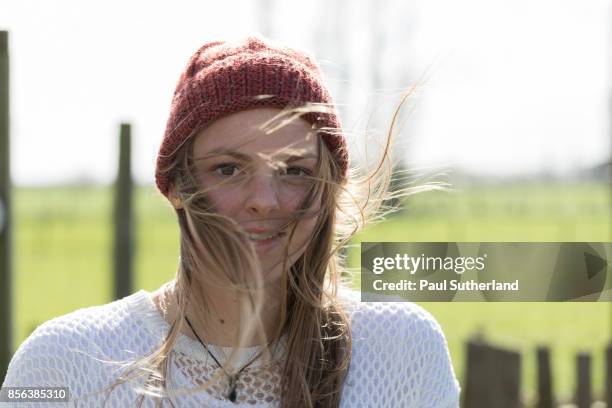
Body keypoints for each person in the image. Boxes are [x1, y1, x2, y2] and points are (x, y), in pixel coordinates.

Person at [1, 35, 460, 407]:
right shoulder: (63, 362)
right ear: (176, 186)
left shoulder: (402, 351)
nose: (264, 201)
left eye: (294, 171)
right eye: (228, 169)